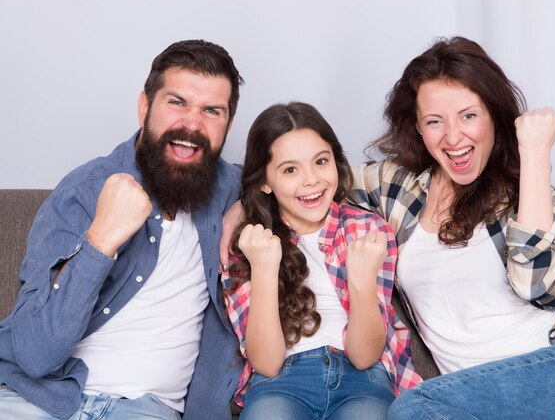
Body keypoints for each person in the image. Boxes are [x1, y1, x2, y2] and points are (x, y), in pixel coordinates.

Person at [347, 36, 555, 418]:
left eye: (468, 115)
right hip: (476, 402)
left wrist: (534, 150)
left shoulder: (533, 196)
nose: (453, 137)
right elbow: (311, 181)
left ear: (494, 114)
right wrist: (239, 201)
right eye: (434, 122)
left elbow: (535, 284)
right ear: (417, 128)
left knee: (412, 409)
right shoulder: (396, 187)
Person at [0, 40, 245, 419]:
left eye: (211, 111)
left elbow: (321, 180)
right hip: (38, 397)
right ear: (144, 107)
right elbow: (36, 354)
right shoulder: (84, 190)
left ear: (227, 125)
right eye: (176, 102)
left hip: (145, 409)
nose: (192, 124)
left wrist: (244, 206)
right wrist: (101, 241)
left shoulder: (235, 190)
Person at [221, 102, 420, 420]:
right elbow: (267, 363)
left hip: (363, 379)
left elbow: (364, 355)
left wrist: (360, 281)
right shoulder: (249, 244)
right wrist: (264, 269)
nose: (311, 180)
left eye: (321, 161)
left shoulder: (367, 229)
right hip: (280, 381)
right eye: (290, 170)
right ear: (265, 181)